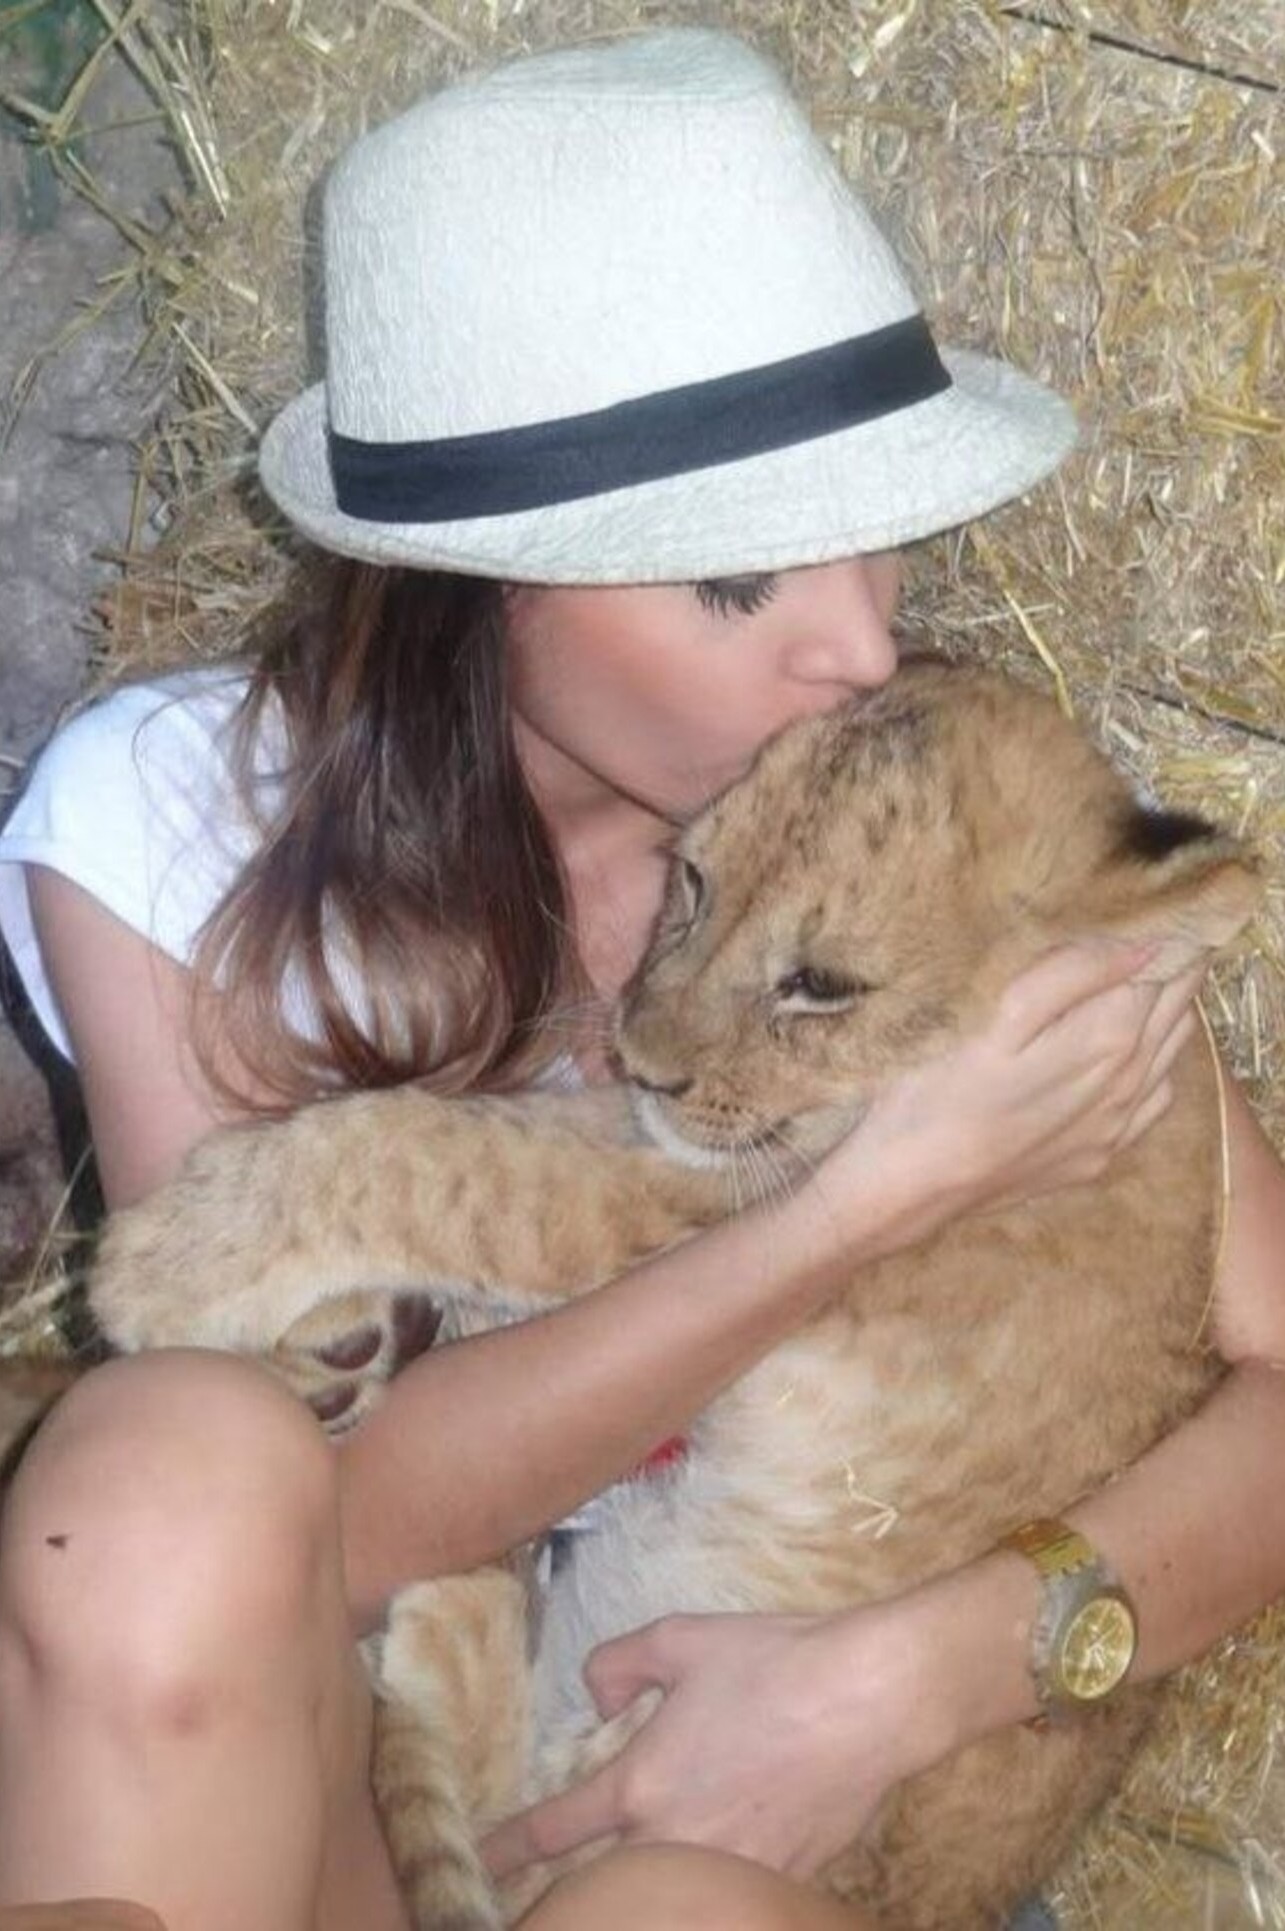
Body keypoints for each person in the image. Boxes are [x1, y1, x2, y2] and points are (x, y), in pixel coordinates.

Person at [0, 27, 1282, 1931]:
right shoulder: (171, 824)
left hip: (785, 1799)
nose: (862, 654)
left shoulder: (928, 815)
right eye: (737, 583)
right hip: (349, 1752)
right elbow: (331, 1530)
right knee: (166, 1463)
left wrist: (918, 1673)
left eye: (877, 544)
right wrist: (862, 1209)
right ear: (478, 582)